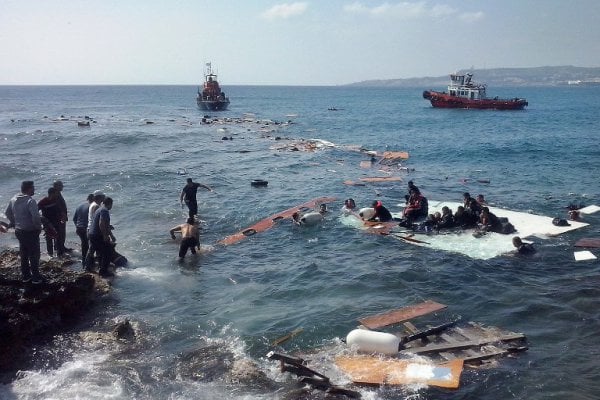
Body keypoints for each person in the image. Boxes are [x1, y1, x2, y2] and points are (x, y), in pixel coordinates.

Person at [5, 181, 44, 284]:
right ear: (29, 189)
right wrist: (38, 227)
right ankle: (36, 278)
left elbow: (7, 213)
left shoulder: (13, 199)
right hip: (30, 231)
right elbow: (35, 217)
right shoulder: (30, 201)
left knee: (24, 253)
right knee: (34, 254)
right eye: (33, 188)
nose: (34, 189)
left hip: (19, 230)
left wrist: (14, 222)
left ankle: (26, 276)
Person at [88, 197, 115, 277]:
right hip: (97, 235)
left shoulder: (99, 209)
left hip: (92, 234)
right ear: (110, 204)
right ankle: (103, 272)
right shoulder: (104, 211)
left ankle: (96, 267)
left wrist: (111, 235)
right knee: (108, 252)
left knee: (100, 252)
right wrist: (105, 236)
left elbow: (105, 225)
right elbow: (101, 223)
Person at [37, 187, 62, 257]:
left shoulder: (55, 200)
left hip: (56, 221)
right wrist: (42, 220)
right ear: (51, 193)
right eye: (55, 193)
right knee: (49, 238)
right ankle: (50, 254)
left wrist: (62, 216)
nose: (57, 194)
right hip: (47, 223)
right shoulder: (43, 201)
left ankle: (58, 252)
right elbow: (36, 212)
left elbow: (59, 209)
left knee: (58, 237)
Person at [84, 190, 105, 271]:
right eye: (103, 197)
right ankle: (89, 266)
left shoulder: (93, 204)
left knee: (92, 248)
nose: (103, 198)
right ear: (99, 197)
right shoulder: (96, 206)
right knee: (94, 249)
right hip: (94, 230)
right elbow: (97, 219)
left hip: (90, 229)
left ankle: (88, 266)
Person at [73, 194, 94, 264]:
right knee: (90, 246)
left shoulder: (79, 206)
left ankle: (84, 260)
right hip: (85, 228)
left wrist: (77, 226)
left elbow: (74, 219)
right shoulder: (92, 207)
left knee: (84, 244)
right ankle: (87, 262)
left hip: (79, 228)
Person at [53, 180, 71, 254]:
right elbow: (58, 207)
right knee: (60, 233)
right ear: (56, 186)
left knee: (61, 233)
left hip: (61, 217)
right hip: (59, 218)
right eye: (60, 185)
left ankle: (60, 247)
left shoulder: (58, 194)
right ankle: (60, 249)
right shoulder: (56, 195)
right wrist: (63, 216)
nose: (62, 186)